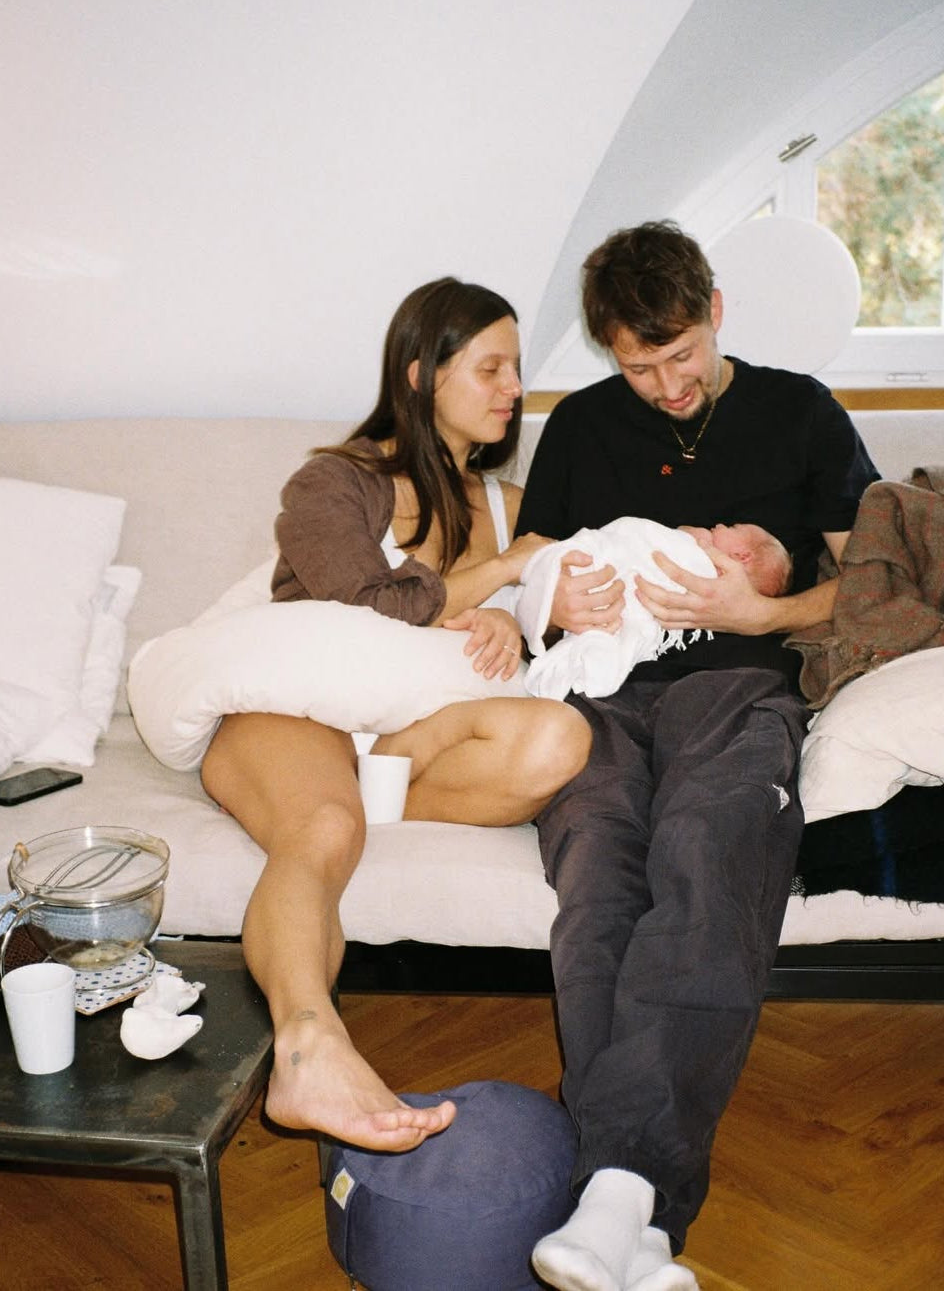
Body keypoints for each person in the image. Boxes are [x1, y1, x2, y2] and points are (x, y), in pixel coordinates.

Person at [515, 221, 879, 1291]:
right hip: (603, 694)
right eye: (639, 367)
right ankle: (641, 1227)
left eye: (679, 357)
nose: (666, 387)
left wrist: (756, 612)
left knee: (710, 852)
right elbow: (529, 578)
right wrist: (553, 602)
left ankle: (618, 1190)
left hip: (737, 686)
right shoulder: (581, 427)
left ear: (714, 310)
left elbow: (866, 586)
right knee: (595, 883)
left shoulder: (799, 411)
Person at [200, 277, 590, 1155]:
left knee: (557, 742)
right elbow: (359, 599)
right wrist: (495, 576)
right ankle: (307, 1049)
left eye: (517, 369)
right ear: (419, 375)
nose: (513, 388)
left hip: (412, 745)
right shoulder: (331, 482)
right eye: (489, 367)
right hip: (299, 715)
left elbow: (563, 629)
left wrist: (513, 617)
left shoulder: (512, 505)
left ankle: (375, 788)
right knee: (326, 827)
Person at [517, 519, 792, 701]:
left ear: (742, 557)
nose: (719, 524)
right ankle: (584, 657)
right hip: (618, 567)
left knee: (625, 629)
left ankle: (587, 660)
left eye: (733, 527)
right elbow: (643, 537)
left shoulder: (709, 565)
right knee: (618, 624)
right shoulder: (694, 540)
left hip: (633, 602)